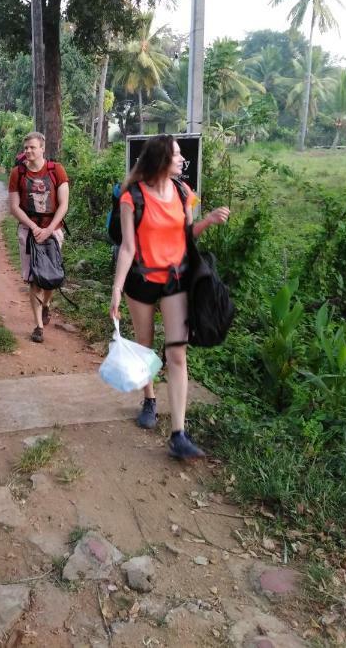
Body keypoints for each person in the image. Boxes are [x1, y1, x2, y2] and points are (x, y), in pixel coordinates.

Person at [109, 134, 230, 460]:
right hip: (142, 280)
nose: (181, 160)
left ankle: (178, 433)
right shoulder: (130, 197)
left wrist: (207, 220)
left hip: (176, 281)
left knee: (177, 355)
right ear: (161, 160)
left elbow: (186, 235)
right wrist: (117, 289)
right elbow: (128, 247)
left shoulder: (183, 192)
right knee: (145, 347)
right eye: (176, 156)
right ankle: (149, 399)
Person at [8, 131, 69, 344]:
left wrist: (50, 229)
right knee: (34, 278)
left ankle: (46, 304)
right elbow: (14, 206)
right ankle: (38, 326)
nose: (28, 151)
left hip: (53, 231)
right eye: (26, 148)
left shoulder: (56, 170)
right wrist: (34, 227)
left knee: (50, 277)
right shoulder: (18, 173)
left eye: (32, 147)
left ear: (42, 148)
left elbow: (64, 204)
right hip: (28, 231)